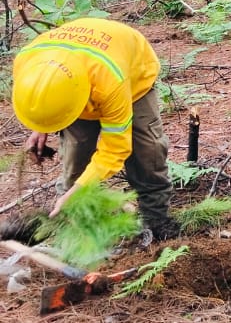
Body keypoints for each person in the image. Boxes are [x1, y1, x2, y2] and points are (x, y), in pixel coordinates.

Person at [11, 18, 175, 239]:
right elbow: (39, 96)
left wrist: (81, 189)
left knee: (146, 151)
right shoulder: (26, 62)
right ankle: (73, 228)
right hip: (75, 79)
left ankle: (157, 222)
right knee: (76, 155)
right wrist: (42, 126)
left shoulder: (110, 81)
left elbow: (115, 149)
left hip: (132, 77)